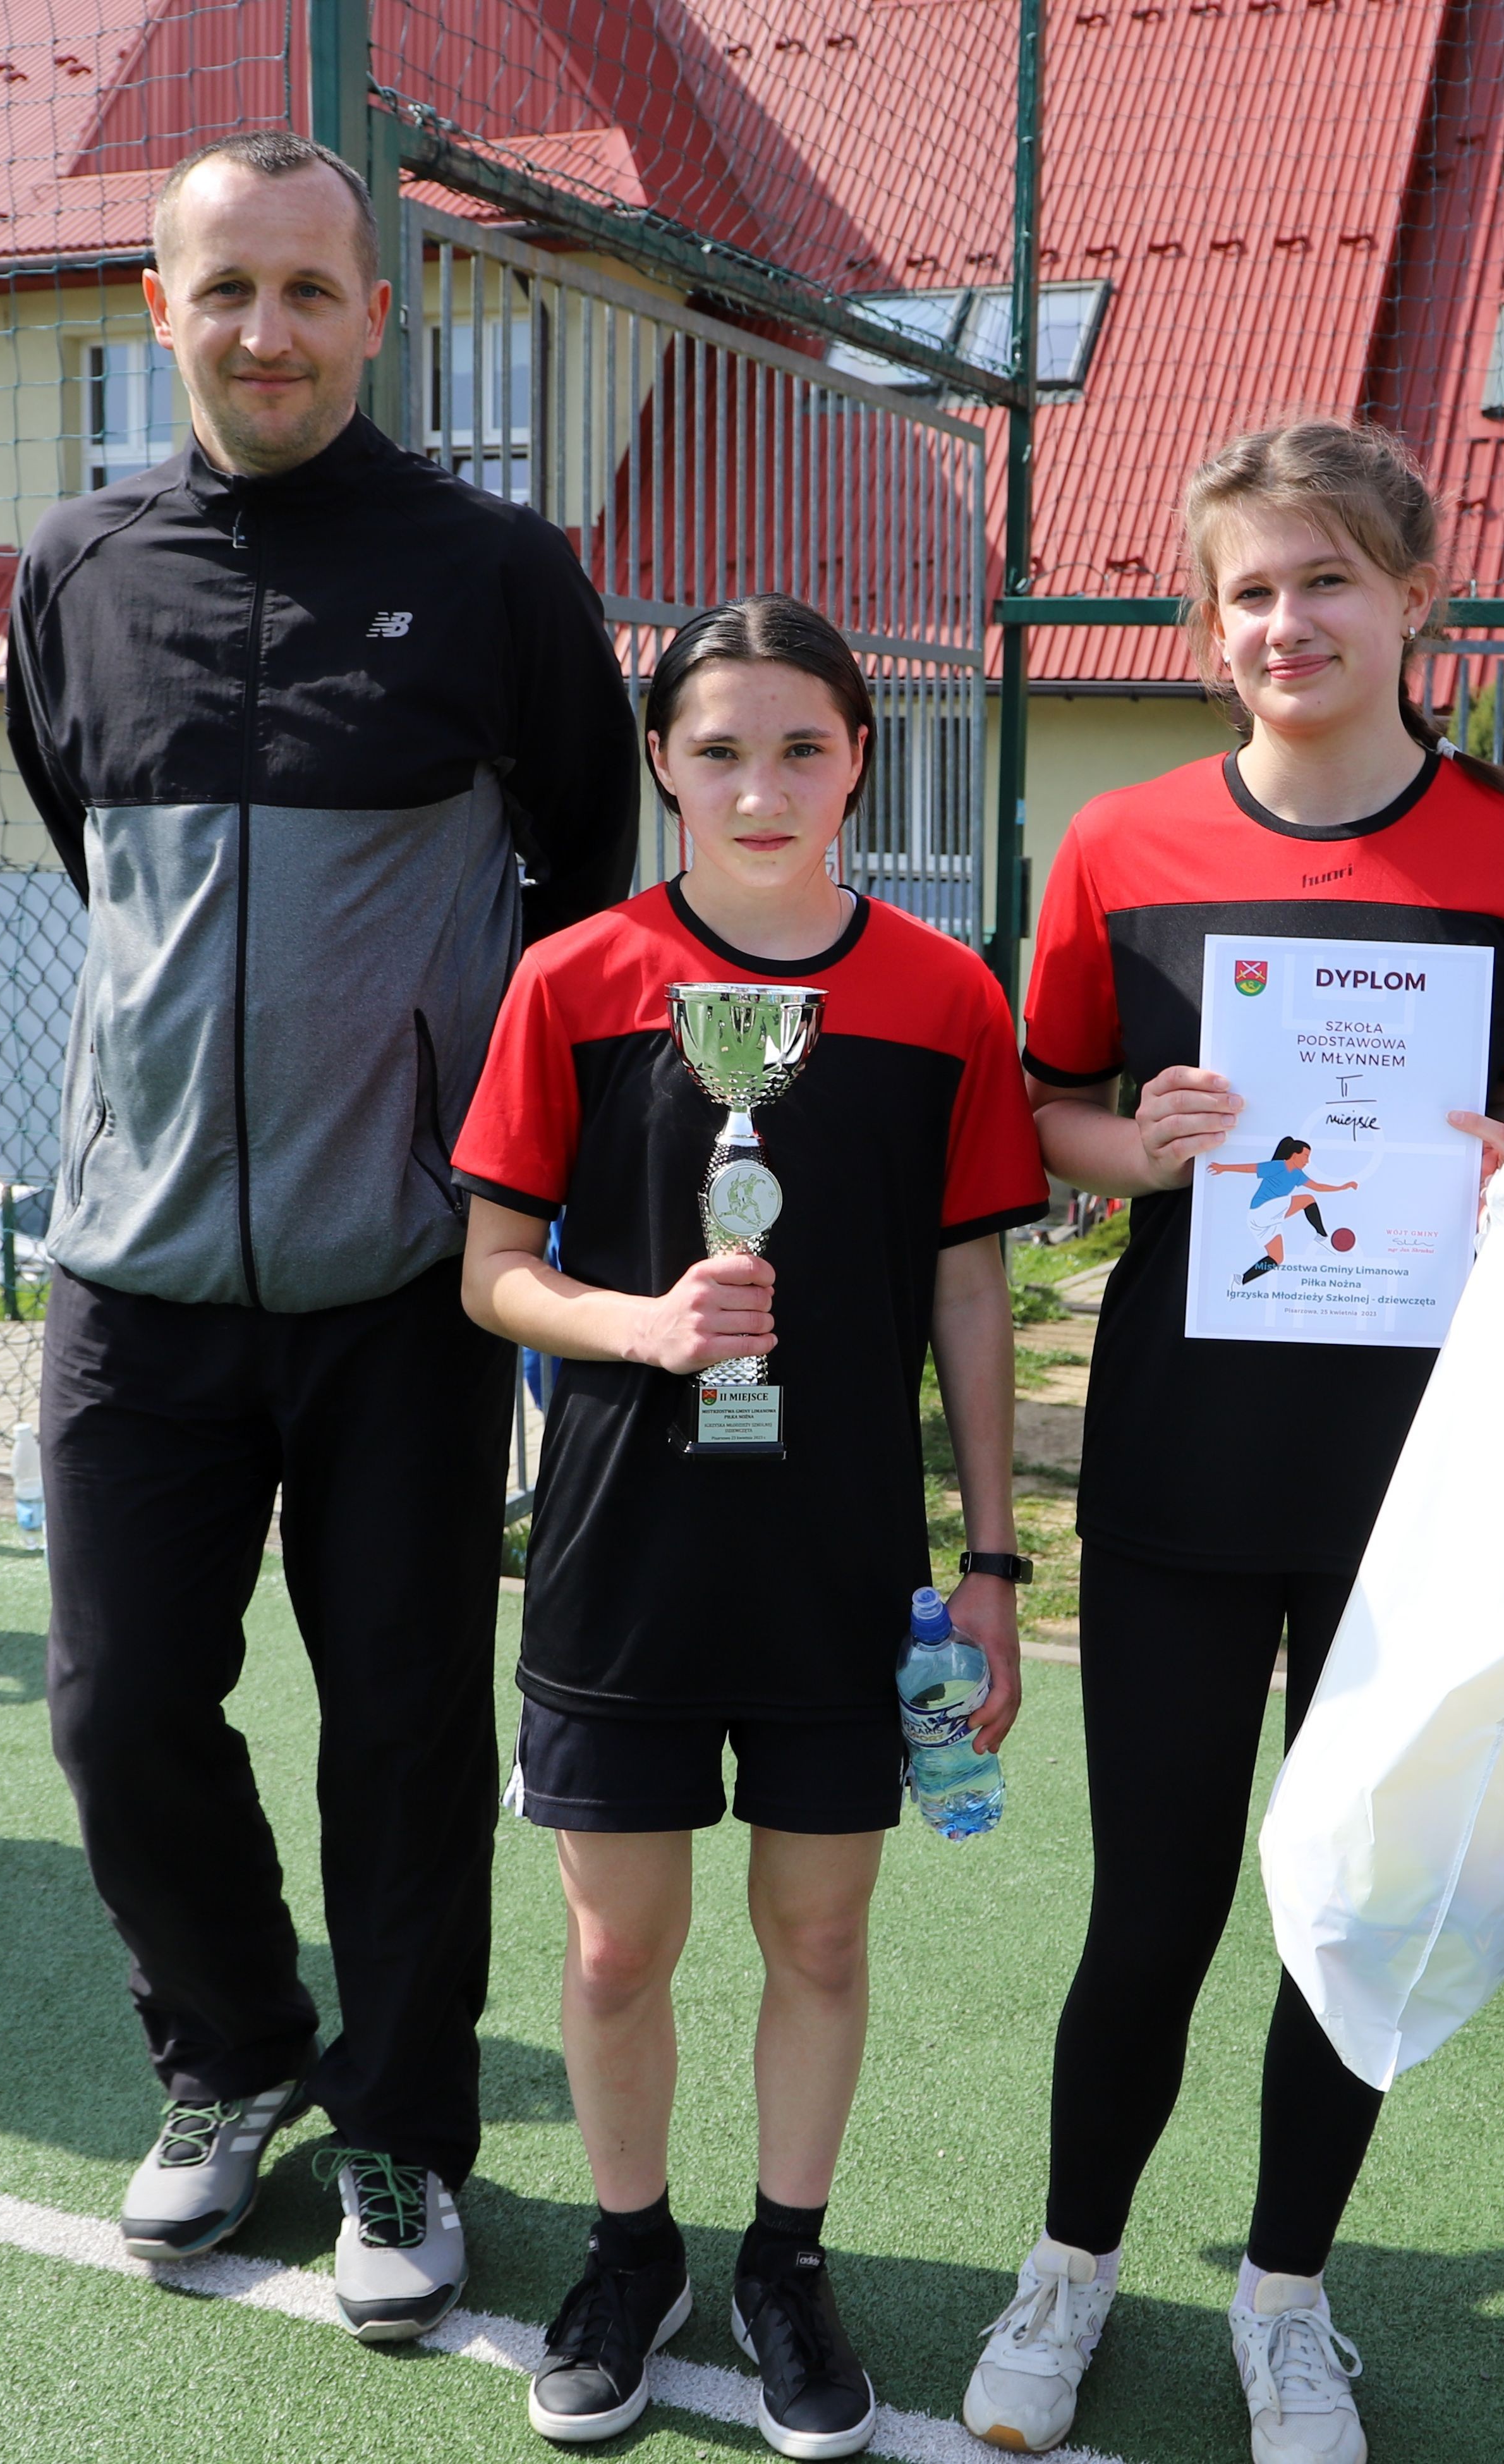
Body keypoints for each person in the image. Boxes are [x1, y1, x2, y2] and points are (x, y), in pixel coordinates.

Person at [4, 132, 639, 2338]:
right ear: (157, 313)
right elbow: (91, 842)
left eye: (305, 289)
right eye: (225, 288)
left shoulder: (497, 574)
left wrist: (461, 1151)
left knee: (400, 1728)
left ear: (378, 317)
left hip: (402, 1283)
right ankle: (233, 2050)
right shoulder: (77, 570)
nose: (264, 330)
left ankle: (402, 2128)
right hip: (134, 1275)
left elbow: (580, 885)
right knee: (114, 1710)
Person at [954, 419, 1504, 2464]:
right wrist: (1133, 1148)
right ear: (1205, 621)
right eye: (1249, 587)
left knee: (1352, 1905)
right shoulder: (1120, 844)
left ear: (1416, 599)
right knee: (1149, 1906)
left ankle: (1285, 2295)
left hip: (1414, 1476)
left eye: (1326, 578)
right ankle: (1070, 2262)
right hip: (1179, 1464)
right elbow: (1041, 1114)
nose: (1287, 620)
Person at [451, 594, 1046, 2453]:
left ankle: (786, 2259)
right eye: (716, 749)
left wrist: (990, 1561)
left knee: (819, 1933)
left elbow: (968, 1294)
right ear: (661, 764)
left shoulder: (944, 997)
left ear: (859, 755)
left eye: (801, 745)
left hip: (838, 1564)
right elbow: (488, 1269)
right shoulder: (577, 978)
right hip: (620, 1553)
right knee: (614, 1948)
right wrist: (643, 1324)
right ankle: (632, 2254)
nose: (760, 786)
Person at [1210, 1137, 1358, 1284]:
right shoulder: (1278, 1166)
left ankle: (1240, 1280)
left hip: (1265, 1220)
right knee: (1307, 1199)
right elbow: (1250, 1168)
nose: (1307, 1161)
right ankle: (1322, 1236)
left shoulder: (1298, 1175)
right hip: (1261, 1210)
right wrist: (1223, 1168)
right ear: (1295, 1155)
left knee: (1277, 1258)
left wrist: (1342, 1187)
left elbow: (1319, 1187)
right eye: (1306, 1156)